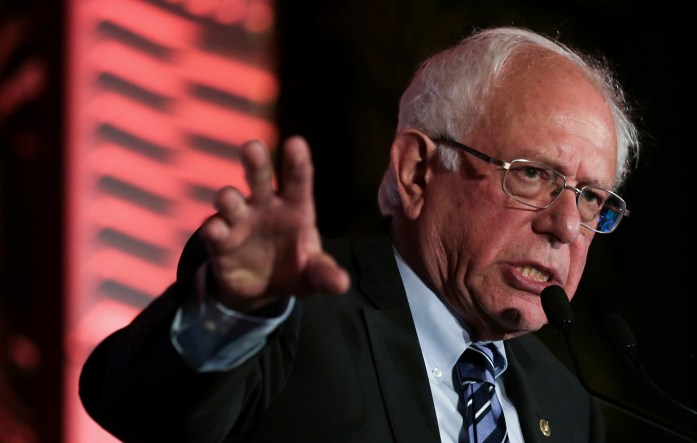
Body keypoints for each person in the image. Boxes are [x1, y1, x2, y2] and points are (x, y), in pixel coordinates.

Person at [79, 25, 638, 443]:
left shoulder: (569, 407)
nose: (567, 225)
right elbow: (139, 408)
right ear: (417, 172)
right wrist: (233, 312)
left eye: (591, 197)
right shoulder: (292, 313)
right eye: (532, 175)